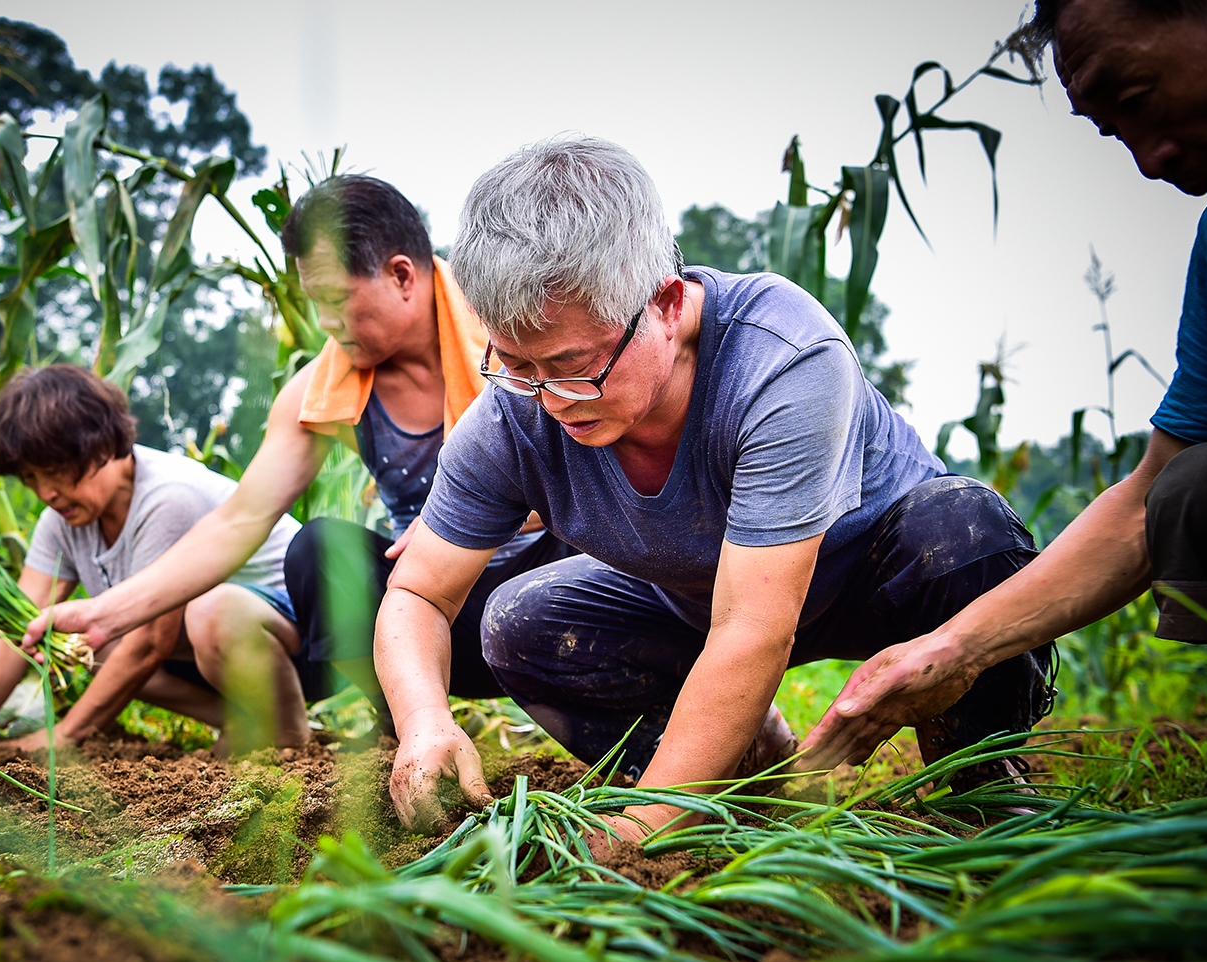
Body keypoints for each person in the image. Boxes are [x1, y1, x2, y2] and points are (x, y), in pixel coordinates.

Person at [375, 136, 1056, 838]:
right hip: (701, 602)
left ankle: (980, 777)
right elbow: (420, 592)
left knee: (961, 529)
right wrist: (425, 723)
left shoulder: (781, 360)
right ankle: (742, 776)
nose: (549, 397)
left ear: (666, 304)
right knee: (518, 623)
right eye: (517, 363)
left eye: (573, 365)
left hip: (864, 578)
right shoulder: (516, 408)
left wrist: (641, 834)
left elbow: (753, 626)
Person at [798, 0, 1207, 773]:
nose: (1148, 162)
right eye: (1111, 131)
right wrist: (950, 650)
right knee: (1198, 490)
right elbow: (1147, 498)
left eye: (1134, 99)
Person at [21, 176, 571, 718]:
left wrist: (461, 518)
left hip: (558, 598)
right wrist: (105, 614)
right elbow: (240, 520)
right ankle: (408, 726)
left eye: (335, 300)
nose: (326, 325)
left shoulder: (520, 344)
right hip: (433, 611)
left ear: (401, 275)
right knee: (318, 549)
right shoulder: (320, 391)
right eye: (316, 303)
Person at [0, 364, 307, 759]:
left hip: (299, 645)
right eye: (30, 479)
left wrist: (64, 737)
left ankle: (287, 736)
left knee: (209, 613)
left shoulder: (167, 496)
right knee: (85, 646)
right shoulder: (61, 520)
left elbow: (148, 644)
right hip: (214, 656)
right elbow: (17, 633)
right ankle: (241, 720)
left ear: (101, 447)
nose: (46, 493)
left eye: (54, 473)